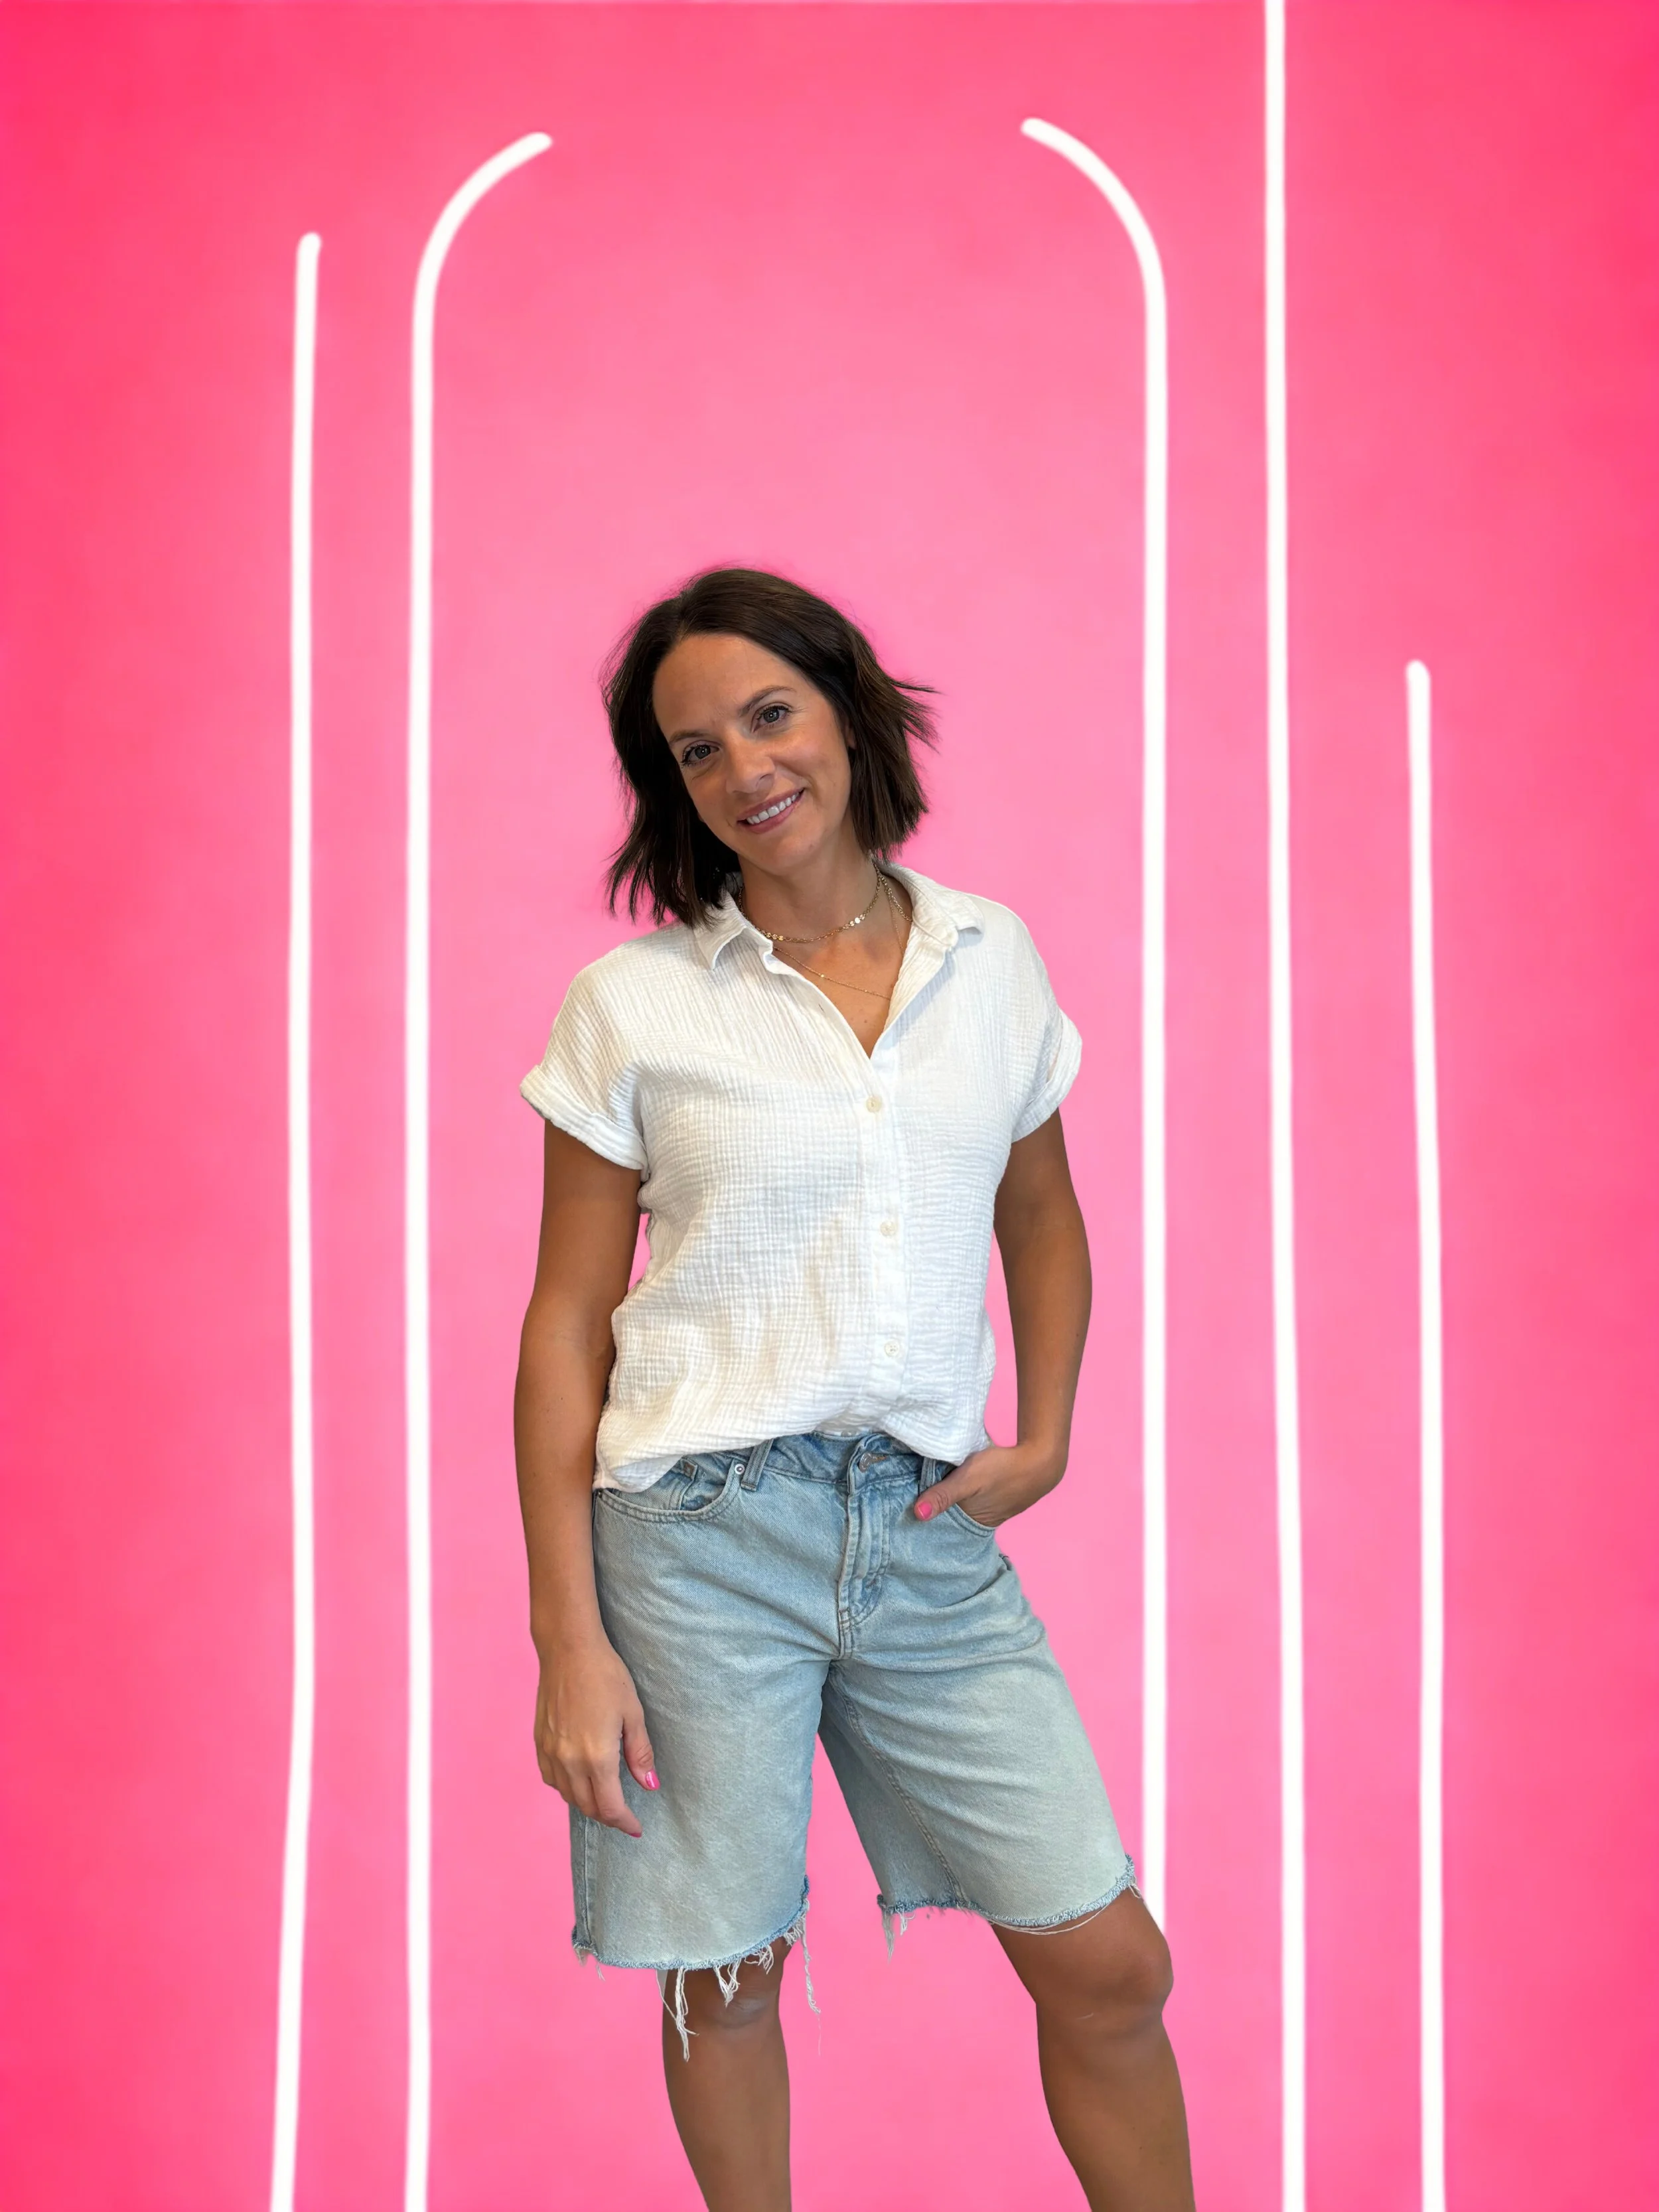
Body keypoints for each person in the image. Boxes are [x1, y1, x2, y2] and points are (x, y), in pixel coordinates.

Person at [514, 568, 1194, 2211]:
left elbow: (1041, 1208)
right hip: (692, 1536)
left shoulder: (991, 959)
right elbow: (561, 1322)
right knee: (725, 1969)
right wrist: (566, 1635)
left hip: (917, 1525)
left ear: (847, 711)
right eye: (692, 749)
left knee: (1106, 1958)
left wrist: (1044, 1429)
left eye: (768, 713)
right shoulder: (636, 1006)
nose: (742, 766)